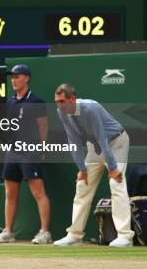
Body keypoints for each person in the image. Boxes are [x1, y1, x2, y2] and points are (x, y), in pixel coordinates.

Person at [53, 84, 134, 248]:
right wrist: (82, 169)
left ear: (73, 99)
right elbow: (73, 140)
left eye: (62, 101)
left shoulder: (90, 107)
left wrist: (112, 167)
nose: (59, 105)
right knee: (82, 186)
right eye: (57, 102)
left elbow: (102, 136)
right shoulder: (62, 112)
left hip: (116, 143)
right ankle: (75, 235)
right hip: (95, 147)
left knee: (116, 184)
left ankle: (125, 236)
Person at [0, 64, 51, 244]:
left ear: (27, 78)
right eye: (12, 77)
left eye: (17, 76)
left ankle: (45, 232)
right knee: (10, 193)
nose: (14, 80)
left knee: (38, 192)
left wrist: (42, 149)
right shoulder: (10, 101)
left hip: (30, 152)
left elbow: (43, 127)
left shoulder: (36, 101)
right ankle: (8, 232)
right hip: (12, 153)